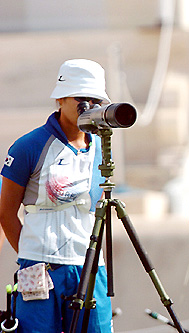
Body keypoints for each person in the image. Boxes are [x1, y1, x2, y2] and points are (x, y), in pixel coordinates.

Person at [0, 59, 114, 332]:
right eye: (81, 98)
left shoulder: (102, 146)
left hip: (90, 267)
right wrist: (33, 253)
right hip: (40, 268)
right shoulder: (30, 145)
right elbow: (5, 213)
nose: (88, 107)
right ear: (60, 98)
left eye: (95, 100)